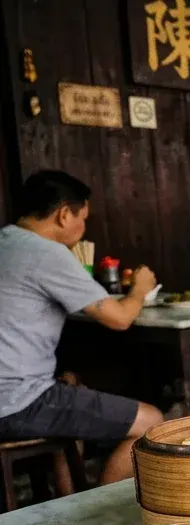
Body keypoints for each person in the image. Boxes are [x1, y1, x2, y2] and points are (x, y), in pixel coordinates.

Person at [0, 171, 163, 485]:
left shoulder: (6, 241)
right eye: (83, 218)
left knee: (73, 392)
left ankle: (69, 501)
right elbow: (119, 318)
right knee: (152, 422)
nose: (83, 227)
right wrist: (140, 288)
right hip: (15, 402)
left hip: (13, 393)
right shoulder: (47, 253)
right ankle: (96, 511)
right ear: (64, 215)